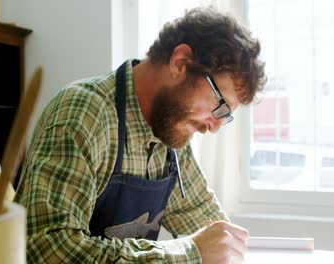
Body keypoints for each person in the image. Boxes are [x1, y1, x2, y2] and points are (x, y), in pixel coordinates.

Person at [14, 6, 266, 263]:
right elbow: (47, 248)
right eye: (219, 106)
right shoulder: (84, 114)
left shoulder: (171, 131)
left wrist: (227, 248)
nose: (213, 126)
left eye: (225, 116)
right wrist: (188, 255)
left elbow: (210, 230)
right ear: (180, 63)